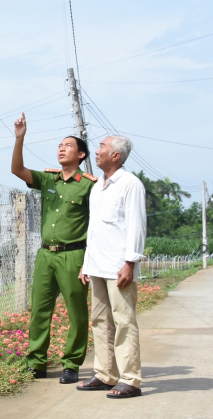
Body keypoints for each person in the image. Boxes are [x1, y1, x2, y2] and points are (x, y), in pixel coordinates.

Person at [11, 112, 97, 385]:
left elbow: (96, 226)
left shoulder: (89, 187)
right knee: (39, 310)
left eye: (68, 145)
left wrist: (89, 260)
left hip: (74, 255)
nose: (61, 148)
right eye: (60, 145)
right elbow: (17, 170)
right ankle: (36, 362)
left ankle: (71, 363)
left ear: (81, 155)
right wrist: (19, 139)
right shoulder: (49, 180)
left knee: (76, 311)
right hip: (46, 254)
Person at [76, 135, 146, 398]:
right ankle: (105, 375)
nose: (96, 151)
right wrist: (86, 264)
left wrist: (130, 263)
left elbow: (137, 227)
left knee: (124, 321)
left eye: (102, 147)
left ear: (116, 155)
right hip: (97, 265)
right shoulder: (98, 187)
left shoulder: (130, 184)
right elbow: (93, 230)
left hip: (119, 267)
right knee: (100, 320)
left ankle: (130, 379)